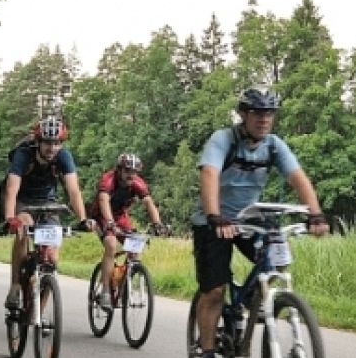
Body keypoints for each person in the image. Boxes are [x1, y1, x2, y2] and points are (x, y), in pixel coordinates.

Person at [190, 88, 331, 358]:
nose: (264, 119)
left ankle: (260, 301)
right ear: (243, 114)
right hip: (213, 221)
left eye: (269, 113)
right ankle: (207, 350)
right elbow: (209, 173)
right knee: (215, 291)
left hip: (249, 218)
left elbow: (297, 176)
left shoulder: (274, 145)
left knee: (275, 260)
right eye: (257, 113)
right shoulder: (223, 139)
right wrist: (214, 215)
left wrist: (316, 214)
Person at [3, 117, 93, 310]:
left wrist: (83, 219)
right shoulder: (23, 155)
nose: (52, 148)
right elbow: (11, 188)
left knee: (51, 259)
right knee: (22, 229)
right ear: (38, 142)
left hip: (48, 204)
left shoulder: (63, 156)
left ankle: (39, 312)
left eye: (56, 143)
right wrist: (10, 218)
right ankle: (16, 285)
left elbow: (73, 190)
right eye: (47, 143)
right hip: (24, 202)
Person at [93, 152, 168, 306]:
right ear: (119, 170)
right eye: (127, 171)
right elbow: (103, 200)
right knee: (111, 245)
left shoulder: (137, 183)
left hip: (121, 217)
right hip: (102, 215)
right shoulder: (108, 180)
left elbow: (149, 203)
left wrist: (158, 224)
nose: (131, 175)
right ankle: (106, 290)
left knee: (135, 249)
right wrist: (110, 223)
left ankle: (122, 288)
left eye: (134, 172)